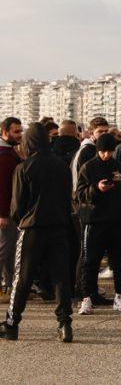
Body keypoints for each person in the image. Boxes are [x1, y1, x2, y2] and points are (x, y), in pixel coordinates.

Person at [0, 122, 74, 342]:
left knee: (22, 277)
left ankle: (12, 323)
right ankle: (64, 323)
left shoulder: (24, 167)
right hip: (59, 227)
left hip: (32, 227)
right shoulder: (61, 165)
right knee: (61, 277)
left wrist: (21, 219)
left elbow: (17, 206)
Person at [76, 132, 121, 314]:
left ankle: (119, 295)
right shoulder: (88, 167)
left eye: (109, 151)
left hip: (117, 221)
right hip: (94, 221)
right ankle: (87, 297)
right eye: (103, 151)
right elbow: (80, 194)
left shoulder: (120, 167)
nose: (106, 155)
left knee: (118, 261)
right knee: (90, 261)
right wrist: (96, 189)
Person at [0, 117, 23, 301]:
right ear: (5, 132)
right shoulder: (4, 155)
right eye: (16, 132)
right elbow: (3, 187)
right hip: (6, 213)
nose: (19, 135)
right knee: (4, 251)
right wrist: (3, 214)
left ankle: (8, 287)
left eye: (20, 131)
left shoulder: (9, 153)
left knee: (9, 252)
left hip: (10, 212)